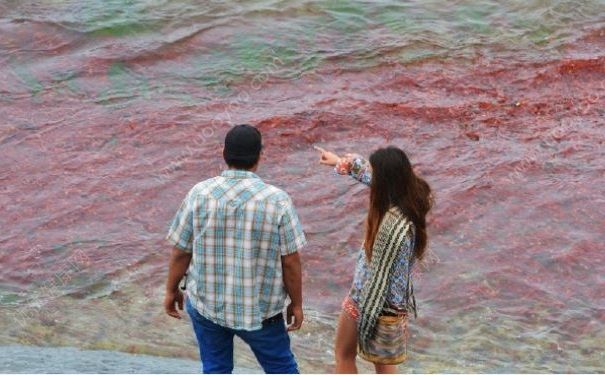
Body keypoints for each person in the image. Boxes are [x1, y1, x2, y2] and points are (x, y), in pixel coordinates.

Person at [164, 124, 307, 374]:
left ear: (223, 153)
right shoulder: (277, 200)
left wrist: (170, 289)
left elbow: (181, 251)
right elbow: (290, 261)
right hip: (261, 311)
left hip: (207, 305)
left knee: (216, 368)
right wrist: (296, 304)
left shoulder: (199, 194)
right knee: (282, 368)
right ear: (260, 155)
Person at [316, 145, 433, 374]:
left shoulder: (392, 227)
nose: (372, 177)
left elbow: (378, 277)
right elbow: (371, 176)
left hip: (370, 301)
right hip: (394, 304)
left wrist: (363, 312)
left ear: (385, 182)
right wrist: (341, 161)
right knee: (383, 367)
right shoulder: (412, 199)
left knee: (343, 355)